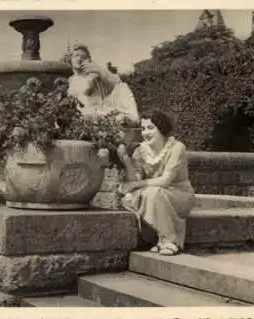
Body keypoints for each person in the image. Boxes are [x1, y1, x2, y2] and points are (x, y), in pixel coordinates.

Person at [116, 110, 195, 256]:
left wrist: (134, 186)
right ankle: (160, 240)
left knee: (152, 193)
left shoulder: (177, 148)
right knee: (133, 197)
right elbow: (136, 180)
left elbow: (165, 180)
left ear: (162, 128)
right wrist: (126, 161)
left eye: (151, 128)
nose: (146, 133)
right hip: (154, 193)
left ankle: (170, 240)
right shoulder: (140, 151)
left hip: (179, 195)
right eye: (143, 129)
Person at [67, 43, 139, 123]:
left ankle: (132, 118)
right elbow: (78, 96)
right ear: (71, 59)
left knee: (123, 87)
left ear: (89, 60)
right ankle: (121, 119)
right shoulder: (72, 79)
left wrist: (99, 71)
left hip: (104, 107)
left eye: (83, 57)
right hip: (88, 111)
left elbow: (117, 82)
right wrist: (89, 80)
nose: (79, 59)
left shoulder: (96, 73)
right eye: (76, 56)